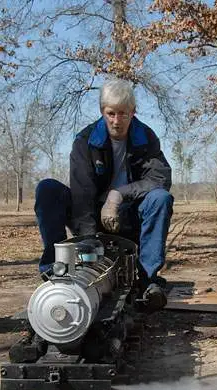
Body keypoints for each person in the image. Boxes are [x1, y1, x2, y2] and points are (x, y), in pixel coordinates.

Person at [34, 79, 174, 306]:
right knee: (47, 189)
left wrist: (118, 195)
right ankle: (55, 269)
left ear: (133, 112)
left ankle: (148, 280)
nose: (116, 121)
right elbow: (82, 194)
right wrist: (89, 243)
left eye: (123, 114)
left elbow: (160, 179)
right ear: (102, 111)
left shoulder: (146, 137)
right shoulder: (85, 140)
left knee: (161, 198)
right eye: (111, 113)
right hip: (89, 216)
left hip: (129, 216)